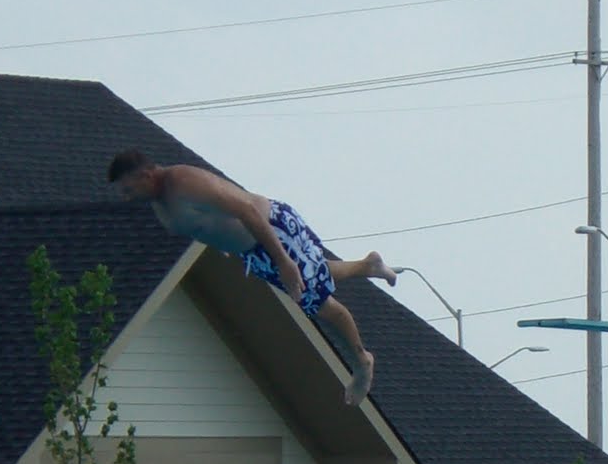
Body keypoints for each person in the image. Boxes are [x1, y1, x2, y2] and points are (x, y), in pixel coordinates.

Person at [107, 149, 399, 407]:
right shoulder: (161, 202)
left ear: (146, 175)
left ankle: (362, 362)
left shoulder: (184, 182)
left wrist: (283, 261)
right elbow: (205, 225)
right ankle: (369, 265)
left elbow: (245, 210)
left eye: (128, 190)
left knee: (320, 304)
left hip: (271, 230)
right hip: (254, 253)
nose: (126, 198)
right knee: (316, 274)